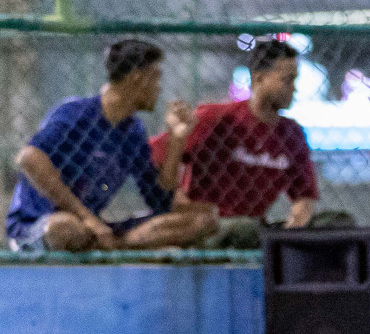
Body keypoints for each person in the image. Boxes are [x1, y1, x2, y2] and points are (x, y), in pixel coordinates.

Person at [7, 39, 217, 252]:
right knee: (65, 228)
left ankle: (111, 247)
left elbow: (160, 201)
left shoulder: (133, 130)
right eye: (156, 78)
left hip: (96, 230)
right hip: (42, 225)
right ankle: (118, 248)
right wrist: (88, 218)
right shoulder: (76, 112)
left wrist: (176, 139)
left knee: (202, 221)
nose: (159, 88)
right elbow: (29, 157)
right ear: (138, 79)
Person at [150, 38, 337, 249]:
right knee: (244, 228)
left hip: (255, 230)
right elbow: (156, 156)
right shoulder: (216, 118)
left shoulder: (291, 133)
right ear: (259, 79)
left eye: (295, 80)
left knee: (334, 221)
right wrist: (178, 200)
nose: (294, 88)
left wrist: (294, 229)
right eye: (287, 80)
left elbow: (304, 196)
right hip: (211, 227)